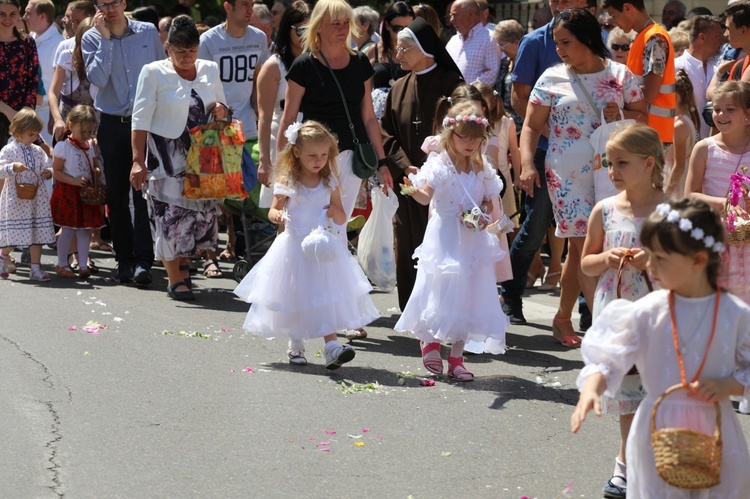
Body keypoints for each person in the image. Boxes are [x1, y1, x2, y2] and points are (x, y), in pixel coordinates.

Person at [571, 197, 750, 498]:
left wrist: (730, 384)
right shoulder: (646, 311)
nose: (649, 265)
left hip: (716, 428)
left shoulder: (734, 314)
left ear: (697, 260)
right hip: (657, 429)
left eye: (660, 258)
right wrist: (592, 387)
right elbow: (613, 356)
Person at [521, 8, 647, 346]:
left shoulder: (621, 75)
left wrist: (620, 113)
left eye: (566, 42)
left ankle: (563, 316)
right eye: (557, 43)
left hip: (612, 172)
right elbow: (531, 127)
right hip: (566, 174)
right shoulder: (551, 77)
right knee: (582, 244)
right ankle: (607, 332)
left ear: (588, 39)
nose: (559, 49)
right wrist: (527, 165)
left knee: (587, 250)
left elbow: (642, 118)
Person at [234, 121, 380, 369]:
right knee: (295, 295)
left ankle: (332, 346)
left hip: (322, 249)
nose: (319, 161)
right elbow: (273, 209)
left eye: (324, 155)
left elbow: (343, 216)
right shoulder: (289, 179)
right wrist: (277, 216)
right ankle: (296, 343)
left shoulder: (330, 180)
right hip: (294, 246)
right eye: (312, 155)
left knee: (326, 295)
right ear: (297, 152)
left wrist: (336, 212)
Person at [580, 123, 667, 498]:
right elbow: (585, 263)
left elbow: (691, 261)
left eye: (621, 163)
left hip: (660, 313)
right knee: (630, 397)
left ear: (649, 164)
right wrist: (606, 257)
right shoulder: (604, 210)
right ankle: (625, 468)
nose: (612, 171)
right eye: (608, 163)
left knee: (661, 393)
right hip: (618, 311)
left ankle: (656, 465)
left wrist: (655, 259)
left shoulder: (669, 210)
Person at [395, 101, 509, 381]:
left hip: (472, 237)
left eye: (476, 138)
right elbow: (425, 196)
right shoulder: (440, 165)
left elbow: (487, 201)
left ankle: (457, 357)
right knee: (440, 286)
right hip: (445, 234)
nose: (470, 143)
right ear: (450, 134)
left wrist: (482, 214)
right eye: (464, 136)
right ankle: (431, 341)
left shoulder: (483, 168)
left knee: (470, 291)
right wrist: (411, 190)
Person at [502, 0, 588, 325]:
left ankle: (587, 311)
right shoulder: (535, 41)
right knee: (536, 225)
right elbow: (518, 97)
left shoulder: (596, 41)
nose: (558, 3)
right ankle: (510, 294)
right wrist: (546, 136)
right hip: (542, 151)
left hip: (585, 156)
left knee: (586, 233)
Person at [129, 15, 227, 302]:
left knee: (199, 216)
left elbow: (222, 106)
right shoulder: (153, 72)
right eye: (180, 51)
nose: (187, 57)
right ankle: (175, 279)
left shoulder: (210, 69)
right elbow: (140, 119)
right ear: (167, 48)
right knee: (170, 215)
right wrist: (138, 160)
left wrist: (222, 109)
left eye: (192, 51)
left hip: (206, 154)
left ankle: (182, 268)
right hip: (166, 155)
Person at [277, 0, 394, 223]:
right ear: (319, 26)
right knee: (311, 223)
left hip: (352, 156)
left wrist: (382, 162)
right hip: (315, 158)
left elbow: (369, 117)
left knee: (339, 224)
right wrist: (283, 168)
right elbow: (289, 119)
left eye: (346, 22)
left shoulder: (360, 62)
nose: (343, 28)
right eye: (335, 23)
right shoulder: (304, 65)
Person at [380, 17, 463, 311]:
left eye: (404, 49)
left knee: (439, 246)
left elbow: (461, 130)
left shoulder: (453, 85)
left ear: (425, 49)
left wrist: (429, 168)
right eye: (398, 48)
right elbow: (385, 131)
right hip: (407, 179)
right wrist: (404, 165)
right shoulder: (398, 87)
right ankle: (411, 309)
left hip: (442, 181)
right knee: (406, 240)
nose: (398, 54)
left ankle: (441, 309)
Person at [82, 0, 164, 286]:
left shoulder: (147, 31)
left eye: (114, 2)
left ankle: (144, 260)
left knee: (143, 194)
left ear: (124, 3)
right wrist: (105, 40)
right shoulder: (92, 37)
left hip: (144, 124)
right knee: (116, 196)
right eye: (103, 3)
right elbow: (98, 79)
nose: (110, 8)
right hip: (112, 124)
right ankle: (124, 260)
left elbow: (161, 73)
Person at [685, 81, 750, 303]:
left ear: (747, 115)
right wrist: (725, 204)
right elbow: (691, 195)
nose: (721, 114)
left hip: (746, 238)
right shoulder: (705, 148)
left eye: (730, 109)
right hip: (715, 238)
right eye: (717, 109)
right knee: (716, 301)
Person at [198, 0, 270, 156]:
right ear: (228, 7)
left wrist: (261, 116)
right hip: (216, 127)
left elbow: (259, 81)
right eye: (245, 5)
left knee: (250, 179)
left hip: (249, 126)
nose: (250, 10)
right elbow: (201, 87)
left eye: (251, 5)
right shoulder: (208, 40)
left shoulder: (259, 38)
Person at [256, 0, 309, 203]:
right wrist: (264, 161)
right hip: (281, 140)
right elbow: (264, 116)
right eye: (300, 30)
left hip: (312, 141)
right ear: (288, 29)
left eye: (310, 29)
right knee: (283, 209)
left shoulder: (316, 62)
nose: (305, 35)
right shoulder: (273, 66)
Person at [603, 0, 676, 145]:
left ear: (627, 8)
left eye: (615, 16)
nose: (615, 23)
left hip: (651, 136)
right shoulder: (643, 37)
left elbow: (649, 93)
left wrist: (614, 92)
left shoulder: (654, 38)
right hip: (645, 133)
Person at [49, 105, 104, 280]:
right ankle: (61, 264)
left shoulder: (90, 145)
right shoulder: (63, 147)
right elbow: (56, 172)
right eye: (84, 131)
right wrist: (73, 181)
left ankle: (82, 264)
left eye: (90, 131)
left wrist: (96, 170)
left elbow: (94, 163)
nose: (87, 135)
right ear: (71, 126)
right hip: (69, 193)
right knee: (67, 230)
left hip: (85, 194)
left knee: (84, 230)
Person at [0, 108, 54, 281]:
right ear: (17, 132)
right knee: (15, 234)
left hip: (36, 199)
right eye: (31, 134)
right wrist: (12, 167)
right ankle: (2, 256)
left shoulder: (38, 151)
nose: (34, 138)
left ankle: (35, 268)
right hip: (16, 199)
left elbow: (47, 165)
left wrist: (48, 172)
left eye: (36, 134)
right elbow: (0, 170)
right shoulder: (8, 150)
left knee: (36, 234)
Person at [473, 82, 520, 230]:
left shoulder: (506, 123)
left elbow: (514, 150)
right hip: (478, 178)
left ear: (491, 103)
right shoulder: (471, 124)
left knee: (506, 223)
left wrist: (517, 176)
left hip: (501, 179)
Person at [49, 18, 96, 143]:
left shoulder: (106, 59)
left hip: (94, 124)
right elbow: (53, 92)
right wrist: (57, 120)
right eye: (86, 37)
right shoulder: (67, 56)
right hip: (67, 120)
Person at [24, 0, 64, 145]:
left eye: (28, 13)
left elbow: (62, 84)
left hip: (47, 115)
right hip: (28, 111)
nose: (24, 17)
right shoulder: (30, 38)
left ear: (43, 16)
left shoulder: (59, 44)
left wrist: (55, 117)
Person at [0, 0, 39, 147]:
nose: (7, 19)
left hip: (21, 118)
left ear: (19, 12)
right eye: (2, 14)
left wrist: (26, 110)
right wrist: (6, 110)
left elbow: (33, 78)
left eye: (12, 14)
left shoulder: (27, 42)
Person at [370, 2, 415, 120]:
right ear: (387, 25)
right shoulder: (374, 50)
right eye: (398, 28)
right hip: (379, 117)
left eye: (408, 28)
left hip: (408, 115)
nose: (403, 32)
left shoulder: (419, 52)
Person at [664, 69, 698, 197]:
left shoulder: (679, 125)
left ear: (675, 97)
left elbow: (678, 166)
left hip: (676, 183)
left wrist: (666, 193)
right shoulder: (685, 118)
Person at [446, 0, 498, 85]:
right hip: (452, 96)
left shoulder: (489, 38)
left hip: (473, 97)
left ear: (470, 15)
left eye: (455, 15)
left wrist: (468, 93)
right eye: (451, 16)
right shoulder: (453, 40)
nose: (451, 20)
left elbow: (491, 74)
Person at [492, 19, 525, 137]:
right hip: (503, 124)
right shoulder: (504, 62)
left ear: (516, 42)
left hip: (520, 127)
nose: (501, 49)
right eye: (498, 45)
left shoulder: (527, 64)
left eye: (503, 45)